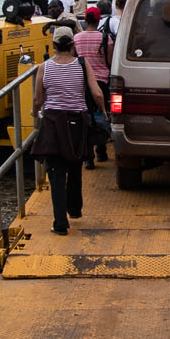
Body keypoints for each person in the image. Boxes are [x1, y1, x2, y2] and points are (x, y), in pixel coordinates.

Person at [31, 27, 108, 235]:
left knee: (56, 172)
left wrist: (34, 111)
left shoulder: (44, 67)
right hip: (77, 122)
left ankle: (60, 223)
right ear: (73, 45)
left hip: (53, 122)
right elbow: (97, 93)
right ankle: (74, 209)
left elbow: (39, 98)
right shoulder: (83, 65)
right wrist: (103, 111)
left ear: (54, 46)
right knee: (75, 166)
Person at [73, 7, 112, 168]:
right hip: (101, 81)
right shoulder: (105, 38)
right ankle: (101, 151)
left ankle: (88, 157)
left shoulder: (76, 38)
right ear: (98, 21)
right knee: (100, 116)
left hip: (82, 83)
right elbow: (109, 61)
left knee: (85, 118)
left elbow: (75, 59)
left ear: (86, 20)